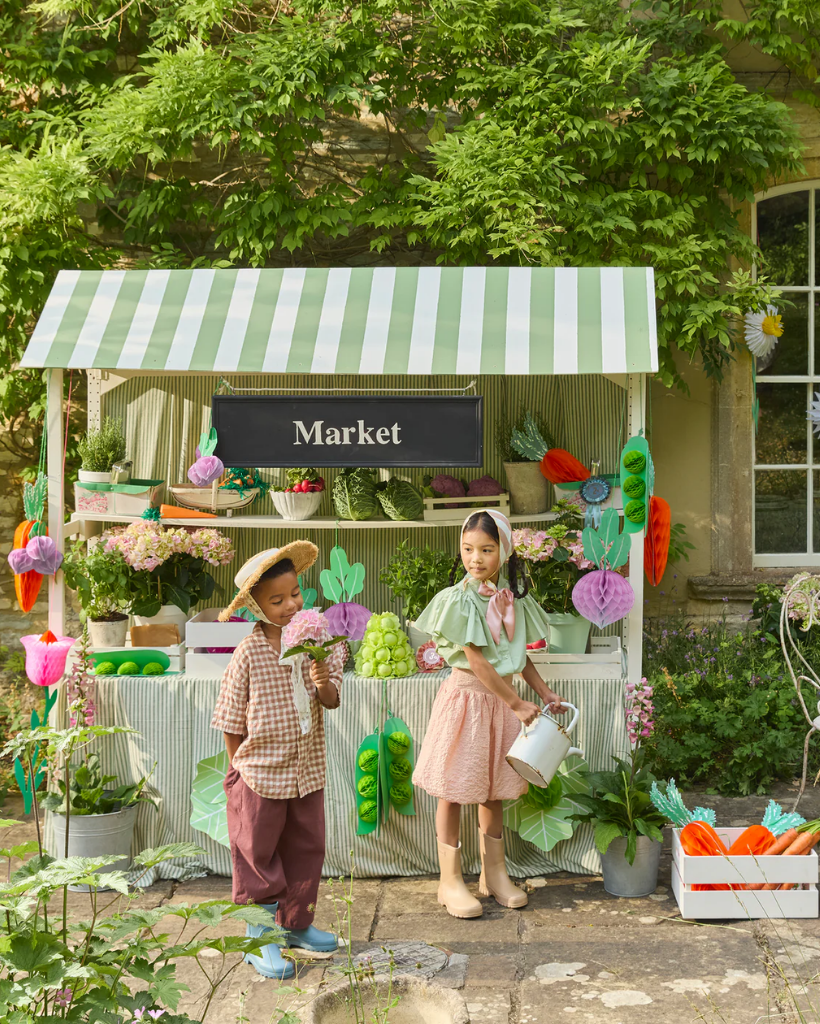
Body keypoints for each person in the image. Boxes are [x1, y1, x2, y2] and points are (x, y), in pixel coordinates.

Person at [412, 508, 568, 918]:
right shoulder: (458, 600)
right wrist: (516, 703)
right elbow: (477, 661)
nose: (475, 559)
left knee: (493, 788)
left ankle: (493, 873)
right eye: (467, 549)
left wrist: (542, 691)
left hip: (500, 706)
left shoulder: (511, 599)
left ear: (505, 551)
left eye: (485, 549)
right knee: (454, 788)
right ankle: (450, 880)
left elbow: (516, 657)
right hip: (467, 703)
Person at [211, 543, 343, 980]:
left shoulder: (316, 646)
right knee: (258, 855)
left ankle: (297, 926)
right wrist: (240, 769)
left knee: (306, 847)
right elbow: (230, 719)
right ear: (255, 607)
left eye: (295, 593)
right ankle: (260, 938)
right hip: (259, 775)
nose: (291, 605)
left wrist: (322, 677)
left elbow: (331, 701)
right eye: (277, 599)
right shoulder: (248, 654)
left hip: (306, 770)